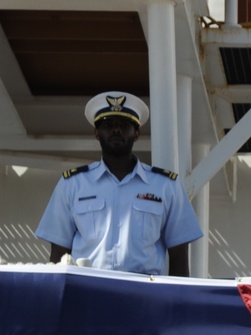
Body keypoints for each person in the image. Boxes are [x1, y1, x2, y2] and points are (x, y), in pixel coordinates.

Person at [36, 91, 202, 275]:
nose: (116, 130)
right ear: (97, 133)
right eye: (108, 125)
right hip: (88, 293)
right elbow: (59, 254)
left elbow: (179, 255)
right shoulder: (73, 184)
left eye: (124, 125)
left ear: (137, 133)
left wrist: (177, 302)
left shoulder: (165, 186)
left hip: (145, 294)